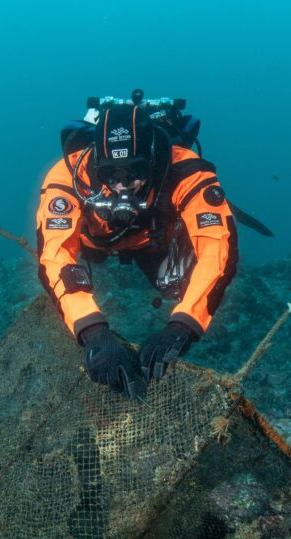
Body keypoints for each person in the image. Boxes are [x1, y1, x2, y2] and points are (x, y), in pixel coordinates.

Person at [36, 94, 238, 399]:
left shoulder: (187, 171)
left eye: (136, 171)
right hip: (96, 242)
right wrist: (92, 330)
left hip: (152, 241)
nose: (123, 185)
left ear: (154, 157)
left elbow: (217, 249)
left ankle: (177, 277)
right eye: (111, 174)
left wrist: (184, 323)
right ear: (96, 162)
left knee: (179, 288)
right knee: (72, 271)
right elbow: (55, 255)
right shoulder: (67, 177)